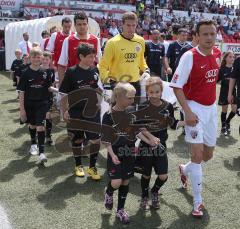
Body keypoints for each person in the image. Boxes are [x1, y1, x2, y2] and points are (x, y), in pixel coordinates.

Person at [170, 20, 221, 217]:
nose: (209, 38)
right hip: (193, 108)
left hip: (211, 109)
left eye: (212, 34)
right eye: (205, 34)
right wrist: (188, 112)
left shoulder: (217, 54)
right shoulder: (188, 57)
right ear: (197, 37)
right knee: (198, 156)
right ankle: (197, 202)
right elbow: (176, 86)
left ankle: (184, 169)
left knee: (207, 155)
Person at [135, 77, 185, 211]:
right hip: (146, 146)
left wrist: (187, 122)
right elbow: (139, 128)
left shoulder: (168, 106)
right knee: (146, 174)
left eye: (157, 92)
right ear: (147, 92)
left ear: (161, 91)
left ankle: (155, 191)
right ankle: (144, 196)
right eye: (151, 92)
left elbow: (173, 123)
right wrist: (150, 138)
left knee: (163, 176)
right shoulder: (142, 107)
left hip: (161, 146)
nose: (154, 95)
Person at [102, 82, 148, 224]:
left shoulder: (131, 113)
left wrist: (149, 140)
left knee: (126, 181)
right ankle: (109, 193)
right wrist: (112, 154)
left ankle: (120, 210)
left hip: (129, 153)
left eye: (133, 97)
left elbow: (137, 131)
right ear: (119, 97)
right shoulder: (108, 116)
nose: (132, 101)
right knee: (116, 182)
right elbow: (105, 139)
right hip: (115, 154)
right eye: (129, 98)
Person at [59, 43, 102, 180]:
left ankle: (92, 167)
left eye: (94, 56)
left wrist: (99, 102)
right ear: (81, 56)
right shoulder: (71, 72)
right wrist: (65, 110)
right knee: (77, 140)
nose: (93, 59)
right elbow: (63, 93)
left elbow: (98, 88)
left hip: (92, 112)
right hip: (75, 113)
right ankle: (78, 165)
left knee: (95, 140)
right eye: (90, 56)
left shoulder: (95, 71)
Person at [17, 48, 58, 163]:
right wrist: (22, 110)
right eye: (34, 57)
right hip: (29, 104)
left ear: (41, 59)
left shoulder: (45, 72)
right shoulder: (25, 73)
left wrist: (59, 91)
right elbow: (21, 92)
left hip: (42, 103)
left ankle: (42, 153)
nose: (36, 59)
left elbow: (48, 88)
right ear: (30, 58)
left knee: (40, 125)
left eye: (38, 57)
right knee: (32, 125)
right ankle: (33, 143)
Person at [99, 11, 150, 102]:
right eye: (128, 25)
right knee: (118, 114)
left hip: (135, 83)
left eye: (133, 25)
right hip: (118, 84)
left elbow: (141, 59)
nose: (131, 28)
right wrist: (106, 83)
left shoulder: (140, 41)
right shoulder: (112, 43)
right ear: (122, 24)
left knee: (134, 114)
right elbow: (103, 66)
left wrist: (145, 69)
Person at [58, 12, 101, 83]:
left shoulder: (95, 40)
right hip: (73, 82)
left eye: (84, 24)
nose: (82, 27)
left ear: (87, 25)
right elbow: (62, 65)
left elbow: (99, 63)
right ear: (75, 25)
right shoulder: (68, 40)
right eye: (79, 24)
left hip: (90, 82)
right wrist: (62, 85)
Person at [218, 51, 237, 135]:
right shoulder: (221, 69)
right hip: (224, 92)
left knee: (235, 109)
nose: (232, 58)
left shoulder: (236, 68)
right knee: (224, 110)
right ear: (225, 58)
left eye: (233, 57)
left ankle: (227, 122)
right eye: (230, 57)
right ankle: (223, 127)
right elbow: (216, 80)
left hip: (233, 92)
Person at [41, 51, 56, 145]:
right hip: (40, 97)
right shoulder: (39, 70)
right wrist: (58, 90)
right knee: (41, 117)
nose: (45, 61)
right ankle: (40, 135)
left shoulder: (52, 70)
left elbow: (52, 82)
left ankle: (48, 136)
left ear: (50, 60)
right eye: (43, 59)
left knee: (49, 116)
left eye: (47, 59)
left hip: (49, 97)